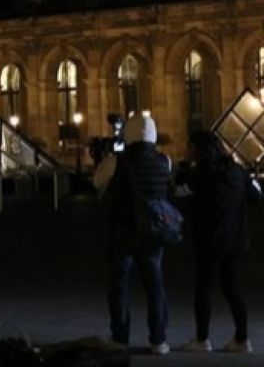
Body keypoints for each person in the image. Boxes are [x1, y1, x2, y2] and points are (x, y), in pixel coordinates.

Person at [92, 113, 172, 355]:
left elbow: (97, 182)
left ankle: (120, 337)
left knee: (120, 285)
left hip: (123, 229)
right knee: (155, 285)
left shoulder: (116, 162)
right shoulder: (165, 161)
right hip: (153, 230)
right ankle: (158, 339)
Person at [176, 131, 259, 353]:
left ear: (198, 151)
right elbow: (255, 197)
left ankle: (202, 339)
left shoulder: (199, 174)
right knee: (233, 288)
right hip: (235, 238)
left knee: (204, 288)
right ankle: (242, 339)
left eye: (190, 147)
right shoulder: (238, 172)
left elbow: (181, 194)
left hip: (209, 239)